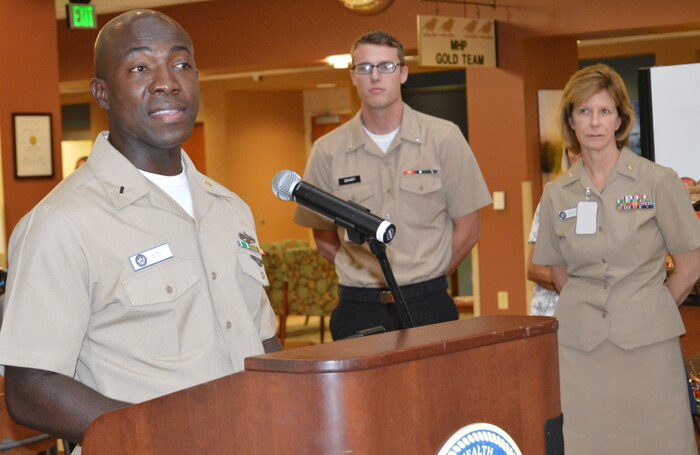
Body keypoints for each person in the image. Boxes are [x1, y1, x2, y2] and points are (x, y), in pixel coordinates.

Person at [0, 9, 281, 448]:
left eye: (181, 64)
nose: (167, 81)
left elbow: (263, 341)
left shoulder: (230, 209)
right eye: (139, 67)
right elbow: (30, 387)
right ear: (102, 93)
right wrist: (164, 435)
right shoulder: (62, 224)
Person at [533, 63, 700, 454]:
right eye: (584, 112)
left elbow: (690, 264)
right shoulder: (557, 194)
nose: (594, 122)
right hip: (581, 350)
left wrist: (649, 305)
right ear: (571, 120)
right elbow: (557, 272)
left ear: (621, 119)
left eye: (604, 111)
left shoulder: (658, 181)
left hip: (648, 347)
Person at [294, 30, 491, 340]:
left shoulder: (443, 138)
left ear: (403, 73)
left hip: (428, 306)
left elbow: (469, 230)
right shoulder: (327, 150)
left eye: (386, 66)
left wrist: (426, 276)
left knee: (435, 390)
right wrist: (365, 274)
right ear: (353, 76)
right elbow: (323, 238)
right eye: (365, 67)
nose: (375, 76)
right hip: (359, 308)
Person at [527, 147, 581, 316]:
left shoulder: (619, 197)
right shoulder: (553, 196)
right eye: (574, 150)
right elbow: (534, 269)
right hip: (554, 315)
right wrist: (584, 286)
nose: (578, 156)